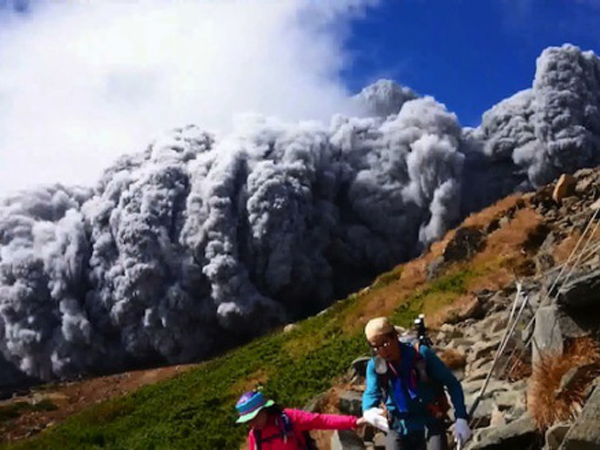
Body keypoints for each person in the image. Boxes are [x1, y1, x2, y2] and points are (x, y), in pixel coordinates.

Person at [362, 317, 472, 450]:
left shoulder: (421, 355)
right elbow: (371, 392)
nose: (382, 351)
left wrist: (461, 418)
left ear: (395, 337)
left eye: (385, 344)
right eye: (376, 347)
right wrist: (368, 410)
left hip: (430, 422)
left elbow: (452, 383)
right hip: (399, 426)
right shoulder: (376, 365)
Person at [235, 390, 368, 449]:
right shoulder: (254, 435)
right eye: (248, 421)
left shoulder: (287, 418)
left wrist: (354, 421)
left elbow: (321, 421)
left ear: (264, 410)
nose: (252, 424)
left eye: (254, 418)